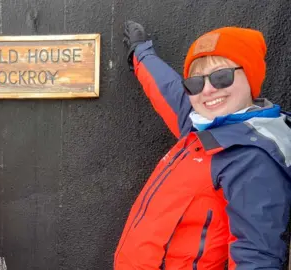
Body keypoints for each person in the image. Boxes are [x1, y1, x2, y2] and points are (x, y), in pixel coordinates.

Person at [114, 21, 291, 269]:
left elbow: (256, 256)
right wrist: (140, 53)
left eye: (221, 77)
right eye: (196, 82)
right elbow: (167, 88)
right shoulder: (202, 126)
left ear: (250, 76)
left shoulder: (252, 157)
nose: (207, 90)